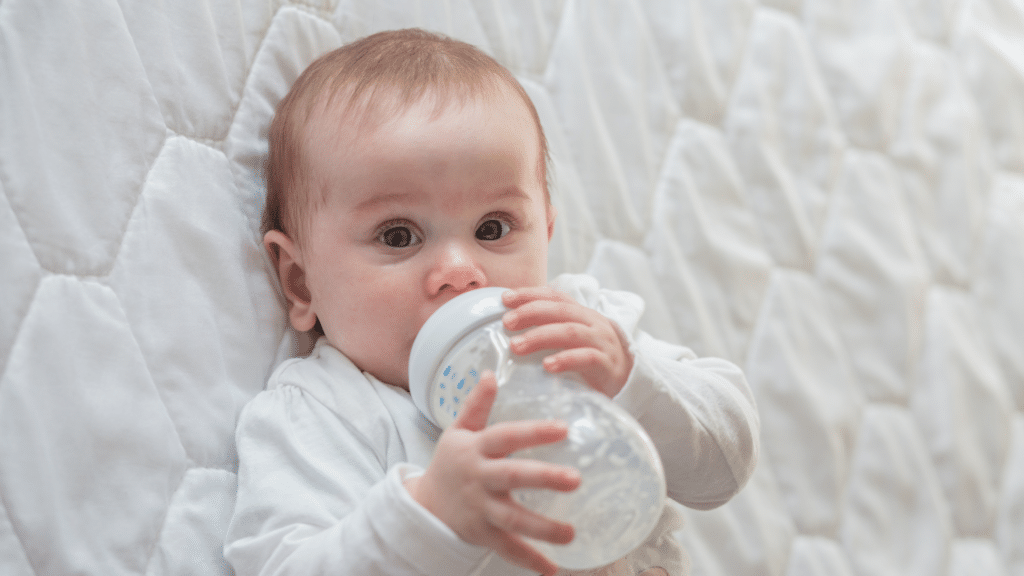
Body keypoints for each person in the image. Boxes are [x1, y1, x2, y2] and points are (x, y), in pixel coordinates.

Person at [224, 28, 760, 576]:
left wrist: (633, 382)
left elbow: (726, 467)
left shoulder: (578, 334)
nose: (460, 272)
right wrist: (429, 518)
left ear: (545, 233)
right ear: (301, 283)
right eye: (398, 236)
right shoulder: (322, 412)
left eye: (493, 227)